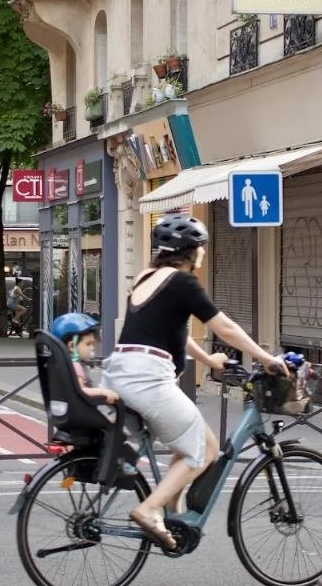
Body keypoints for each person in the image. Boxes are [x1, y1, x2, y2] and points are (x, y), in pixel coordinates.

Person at [97, 215, 282, 552]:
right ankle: (151, 508)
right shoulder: (183, 283)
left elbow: (172, 331)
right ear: (191, 251)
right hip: (148, 379)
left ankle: (171, 515)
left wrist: (210, 361)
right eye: (202, 249)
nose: (204, 255)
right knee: (206, 450)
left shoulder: (146, 277)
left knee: (189, 445)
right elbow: (224, 328)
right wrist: (266, 357)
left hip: (122, 372)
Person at [50, 311, 118, 406]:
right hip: (81, 415)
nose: (92, 348)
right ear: (72, 346)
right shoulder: (75, 366)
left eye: (93, 344)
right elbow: (80, 391)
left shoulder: (62, 363)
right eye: (88, 344)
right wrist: (102, 392)